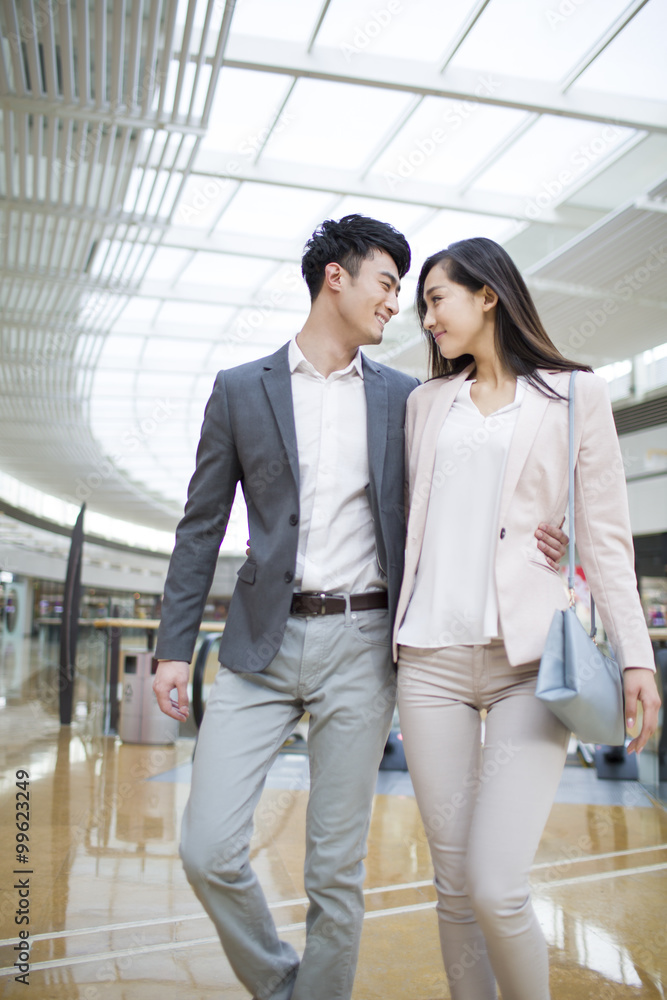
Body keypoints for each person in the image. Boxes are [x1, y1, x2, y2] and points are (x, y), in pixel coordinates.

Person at [152, 216, 567, 1000]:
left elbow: (472, 496)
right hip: (258, 647)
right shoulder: (242, 389)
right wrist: (175, 645)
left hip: (364, 642)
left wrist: (547, 539)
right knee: (206, 847)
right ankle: (280, 982)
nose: (397, 305)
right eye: (386, 282)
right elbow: (201, 522)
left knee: (333, 872)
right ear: (334, 278)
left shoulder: (410, 400)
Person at [393, 237, 661, 1000]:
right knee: (450, 885)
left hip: (530, 665)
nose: (426, 318)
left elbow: (606, 537)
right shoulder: (423, 404)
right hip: (429, 662)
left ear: (487, 296)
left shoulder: (576, 395)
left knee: (496, 883)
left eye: (436, 298)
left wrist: (636, 657)